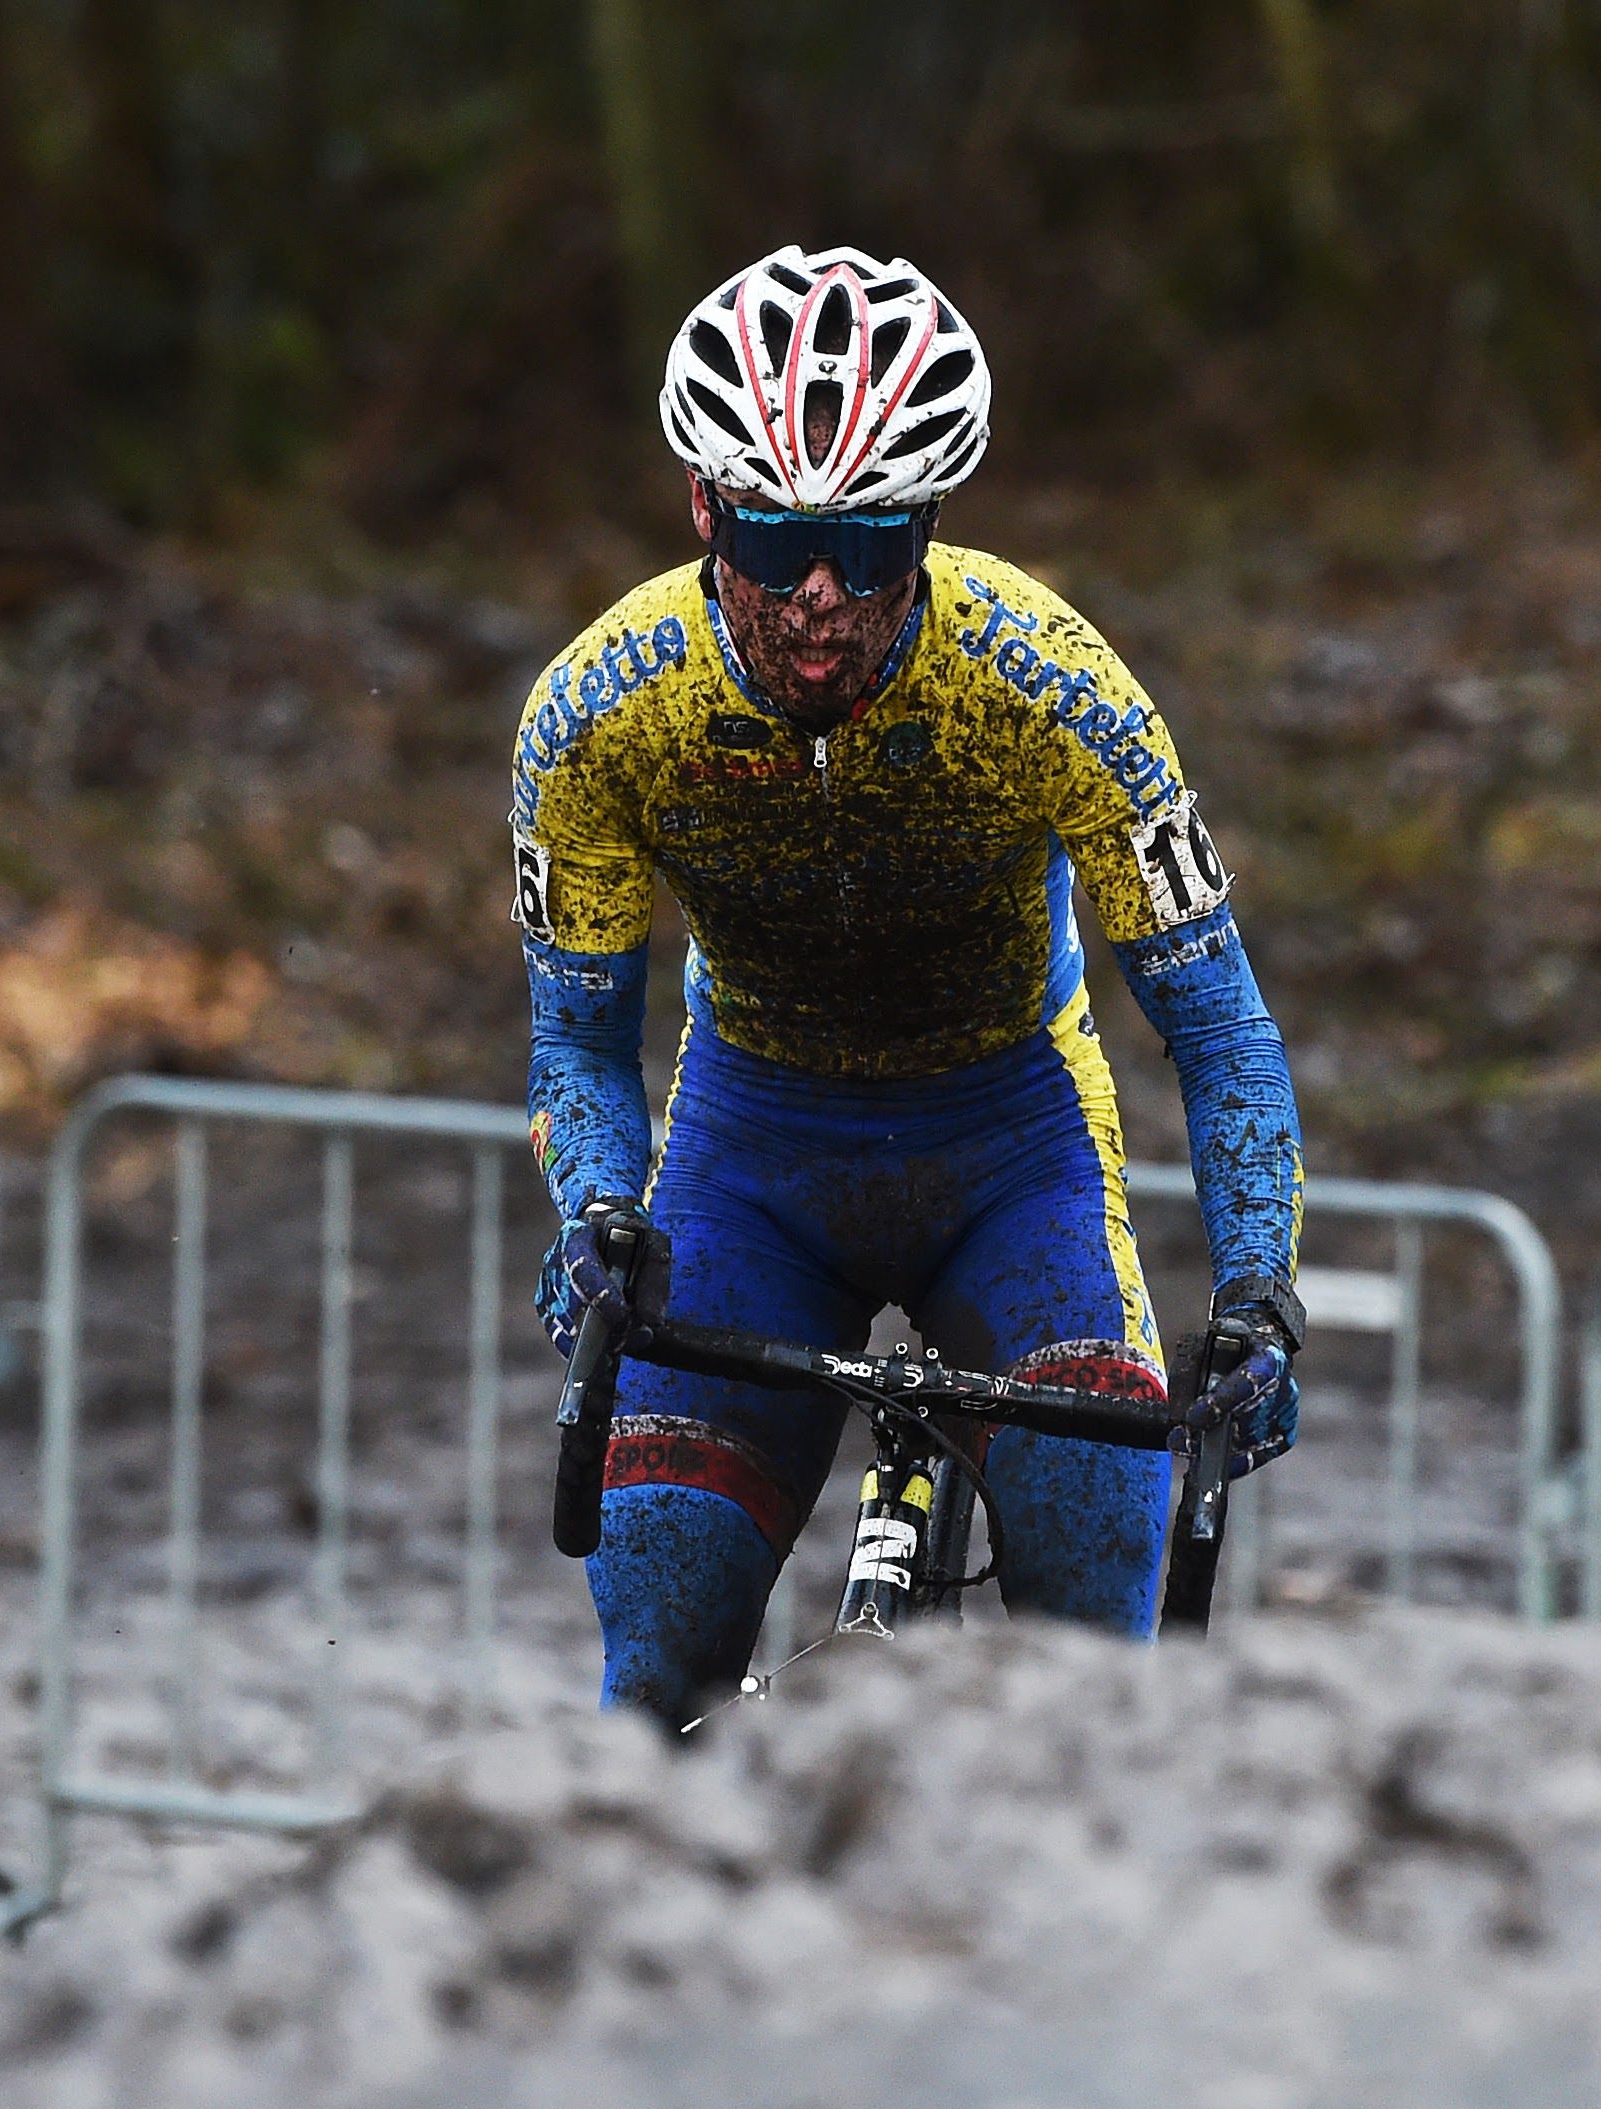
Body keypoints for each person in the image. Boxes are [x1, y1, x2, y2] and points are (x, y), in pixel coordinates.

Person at [515, 243, 1304, 1720]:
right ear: (701, 506)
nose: (817, 596)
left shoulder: (1055, 687)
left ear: (933, 525)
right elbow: (575, 1038)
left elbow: (1219, 1026)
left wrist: (1261, 1288)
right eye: (770, 537)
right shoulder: (599, 715)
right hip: (753, 1152)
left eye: (869, 549)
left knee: (1098, 1649)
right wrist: (598, 1217)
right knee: (656, 1663)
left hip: (1012, 1142)